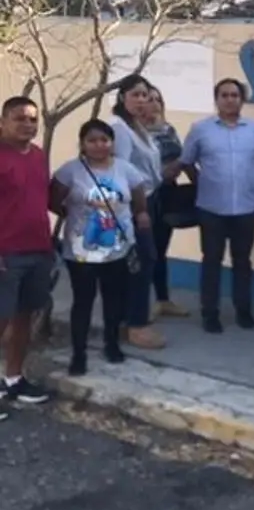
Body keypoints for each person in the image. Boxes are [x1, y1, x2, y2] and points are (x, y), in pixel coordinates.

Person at [50, 119, 149, 376]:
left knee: (114, 300)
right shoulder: (70, 171)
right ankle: (79, 354)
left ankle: (112, 344)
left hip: (118, 249)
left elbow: (139, 197)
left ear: (112, 142)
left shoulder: (125, 169)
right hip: (81, 251)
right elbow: (54, 200)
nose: (99, 145)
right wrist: (74, 217)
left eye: (104, 140)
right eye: (92, 140)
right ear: (82, 144)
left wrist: (141, 215)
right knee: (83, 301)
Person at [176, 78, 254, 334]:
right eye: (225, 95)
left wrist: (247, 182)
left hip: (246, 208)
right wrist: (202, 183)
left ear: (242, 99)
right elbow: (187, 161)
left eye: (235, 95)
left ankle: (244, 310)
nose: (230, 100)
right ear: (216, 99)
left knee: (243, 261)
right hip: (211, 208)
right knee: (211, 261)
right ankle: (210, 313)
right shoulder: (201, 129)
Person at [0, 96, 53, 420]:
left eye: (33, 119)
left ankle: (14, 379)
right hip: (6, 255)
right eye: (20, 118)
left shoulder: (37, 155)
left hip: (37, 251)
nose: (28, 124)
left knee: (23, 319)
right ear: (3, 122)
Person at [109, 74, 166, 350]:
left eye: (145, 95)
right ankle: (136, 324)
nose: (142, 100)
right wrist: (136, 209)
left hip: (149, 199)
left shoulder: (137, 127)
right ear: (123, 97)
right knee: (143, 261)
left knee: (136, 263)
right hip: (133, 205)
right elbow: (120, 171)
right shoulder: (119, 128)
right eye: (135, 95)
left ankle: (125, 321)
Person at [145, 86, 189, 319]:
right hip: (145, 195)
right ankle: (140, 304)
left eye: (157, 99)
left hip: (167, 193)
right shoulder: (134, 134)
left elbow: (183, 158)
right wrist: (161, 173)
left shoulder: (168, 129)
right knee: (146, 251)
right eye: (149, 99)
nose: (153, 103)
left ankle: (163, 300)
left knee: (161, 249)